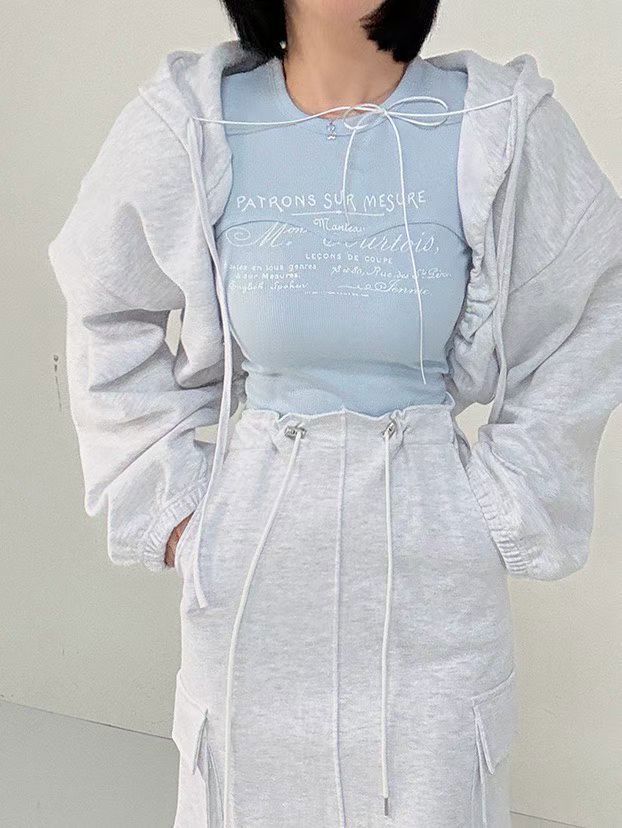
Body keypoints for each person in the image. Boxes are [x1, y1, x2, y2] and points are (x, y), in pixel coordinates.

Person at [48, 1, 622, 825]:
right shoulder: (195, 123)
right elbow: (104, 300)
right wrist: (171, 508)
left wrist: (503, 505)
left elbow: (595, 303)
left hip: (434, 574)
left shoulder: (495, 125)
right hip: (254, 563)